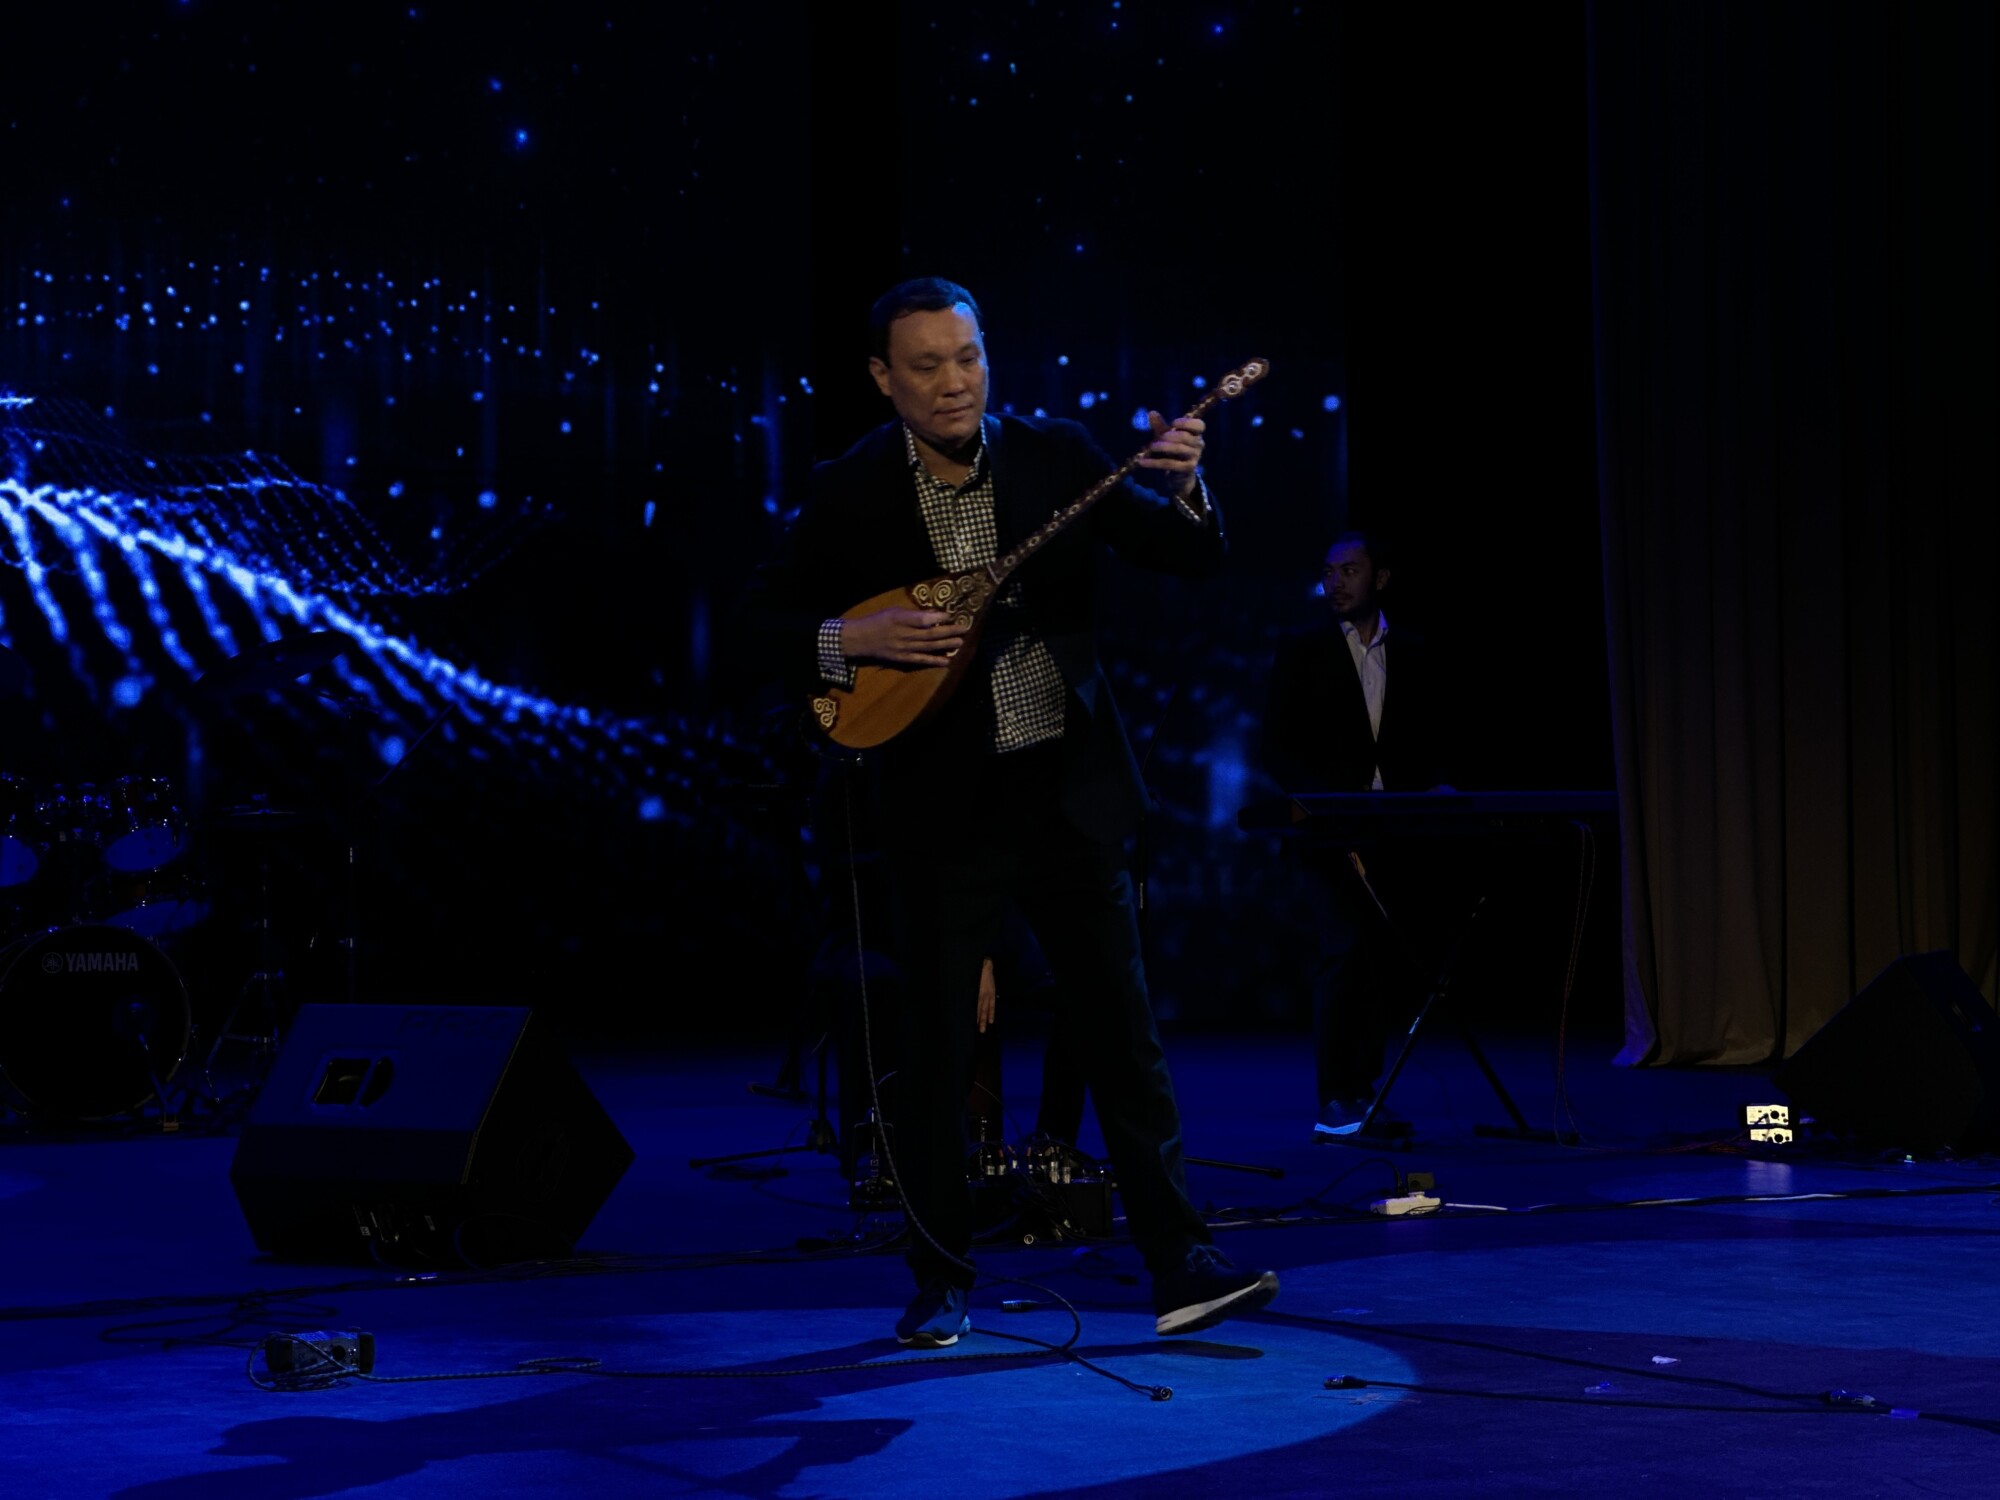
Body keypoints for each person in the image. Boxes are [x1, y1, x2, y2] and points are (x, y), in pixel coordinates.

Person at [739, 277, 1277, 1348]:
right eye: (926, 365)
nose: (954, 383)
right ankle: (940, 1278)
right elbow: (761, 620)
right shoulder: (850, 489)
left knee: (1122, 1036)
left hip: (1067, 794)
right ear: (882, 378)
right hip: (940, 811)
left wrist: (1185, 487)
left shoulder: (1055, 454)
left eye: (969, 357)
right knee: (937, 1052)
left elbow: (1187, 555)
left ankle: (1180, 1261)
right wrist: (854, 640)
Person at [1261, 531, 1455, 1136]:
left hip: (1390, 830)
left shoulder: (1413, 651)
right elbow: (1275, 744)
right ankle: (1334, 1096)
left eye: (1349, 570)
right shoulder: (1302, 648)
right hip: (1326, 832)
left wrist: (1434, 787)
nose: (1335, 582)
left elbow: (1428, 737)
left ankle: (1362, 1093)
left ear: (1381, 578)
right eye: (1328, 571)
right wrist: (1320, 801)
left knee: (1374, 958)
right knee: (1343, 948)